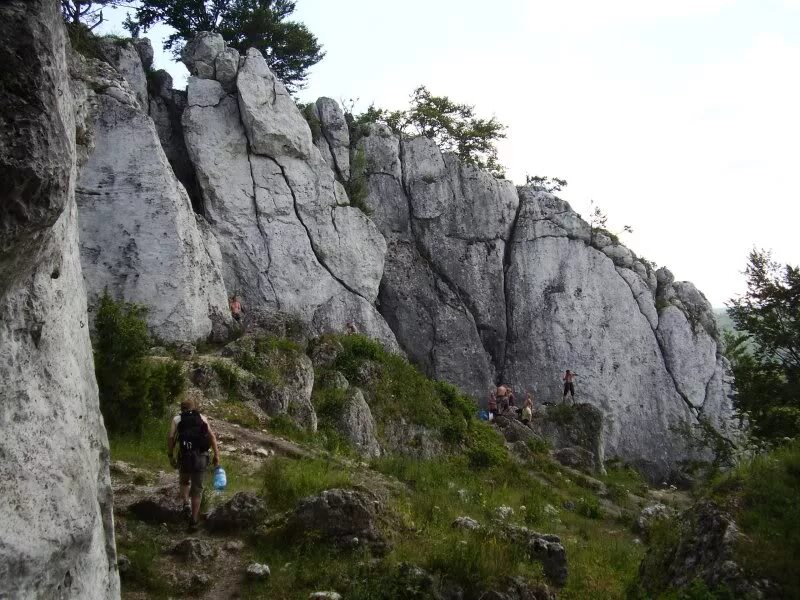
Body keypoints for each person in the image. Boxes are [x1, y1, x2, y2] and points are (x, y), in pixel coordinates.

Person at [167, 398, 220, 531]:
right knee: (197, 490)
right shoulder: (202, 418)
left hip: (185, 456)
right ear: (194, 407)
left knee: (184, 481)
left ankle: (186, 504)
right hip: (201, 457)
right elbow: (212, 436)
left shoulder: (177, 419)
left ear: (181, 408)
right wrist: (216, 455)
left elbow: (171, 437)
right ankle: (194, 521)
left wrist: (170, 455)